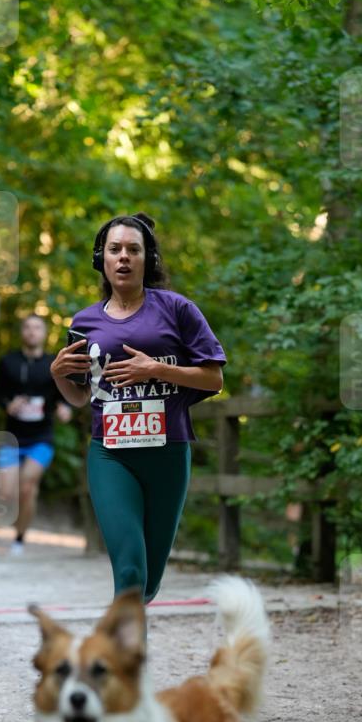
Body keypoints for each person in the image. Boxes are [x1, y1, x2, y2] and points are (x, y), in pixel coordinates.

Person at [51, 211, 226, 604]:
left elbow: (214, 379)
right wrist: (58, 373)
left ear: (149, 259)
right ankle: (128, 665)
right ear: (102, 260)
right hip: (111, 456)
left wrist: (155, 369)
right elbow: (81, 397)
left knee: (148, 580)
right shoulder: (84, 322)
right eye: (115, 250)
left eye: (134, 249)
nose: (124, 257)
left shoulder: (178, 310)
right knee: (129, 570)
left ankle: (130, 635)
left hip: (167, 454)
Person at [0, 313, 72, 555]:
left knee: (27, 487)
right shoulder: (8, 362)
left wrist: (65, 408)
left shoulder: (53, 364)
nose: (31, 331)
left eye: (37, 327)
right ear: (22, 332)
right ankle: (20, 521)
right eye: (27, 327)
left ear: (44, 333)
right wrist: (8, 405)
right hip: (12, 438)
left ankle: (19, 539)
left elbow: (65, 396)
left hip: (41, 438)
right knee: (7, 495)